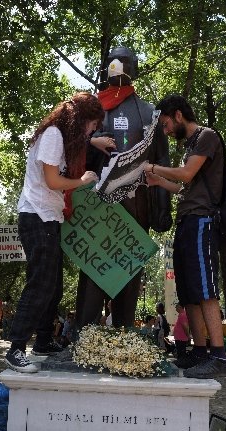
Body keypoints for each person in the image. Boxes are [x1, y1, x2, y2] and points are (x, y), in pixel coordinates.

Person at [5, 92, 104, 373]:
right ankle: (15, 349)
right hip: (37, 215)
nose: (92, 130)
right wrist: (82, 181)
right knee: (41, 284)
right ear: (81, 118)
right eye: (93, 124)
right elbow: (51, 180)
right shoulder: (53, 136)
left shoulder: (61, 135)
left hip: (47, 217)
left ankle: (44, 341)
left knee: (54, 285)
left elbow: (81, 143)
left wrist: (93, 142)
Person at [75, 46, 170, 330]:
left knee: (129, 269)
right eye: (112, 61)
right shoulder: (92, 111)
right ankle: (85, 334)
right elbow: (70, 152)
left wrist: (162, 209)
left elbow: (160, 160)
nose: (117, 65)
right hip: (98, 207)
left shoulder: (150, 112)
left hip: (137, 206)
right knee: (93, 269)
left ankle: (124, 332)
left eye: (123, 61)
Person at [144, 94, 226, 378]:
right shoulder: (190, 146)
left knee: (205, 290)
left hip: (202, 220)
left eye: (167, 124)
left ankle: (219, 357)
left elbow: (186, 174)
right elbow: (185, 187)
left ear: (178, 115)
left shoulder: (206, 136)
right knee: (190, 294)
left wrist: (154, 168)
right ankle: (200, 352)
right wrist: (159, 182)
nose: (167, 131)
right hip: (186, 221)